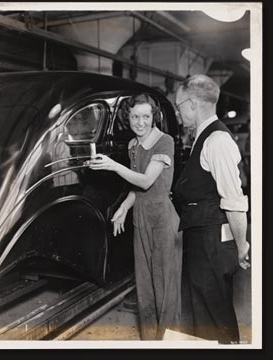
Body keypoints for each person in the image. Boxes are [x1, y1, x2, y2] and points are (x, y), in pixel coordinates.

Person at [90, 94, 182, 340]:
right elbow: (137, 186)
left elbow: (147, 180)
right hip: (141, 220)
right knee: (145, 290)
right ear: (127, 118)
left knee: (166, 293)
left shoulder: (165, 142)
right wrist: (125, 207)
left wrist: (114, 166)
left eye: (145, 116)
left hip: (163, 221)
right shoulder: (133, 145)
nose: (140, 122)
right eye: (134, 116)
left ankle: (171, 346)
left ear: (154, 117)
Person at [173, 74, 250, 344]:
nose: (178, 112)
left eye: (179, 105)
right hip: (204, 240)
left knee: (215, 318)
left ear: (192, 104)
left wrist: (242, 246)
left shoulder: (217, 140)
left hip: (212, 243)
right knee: (205, 316)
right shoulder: (203, 137)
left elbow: (234, 200)